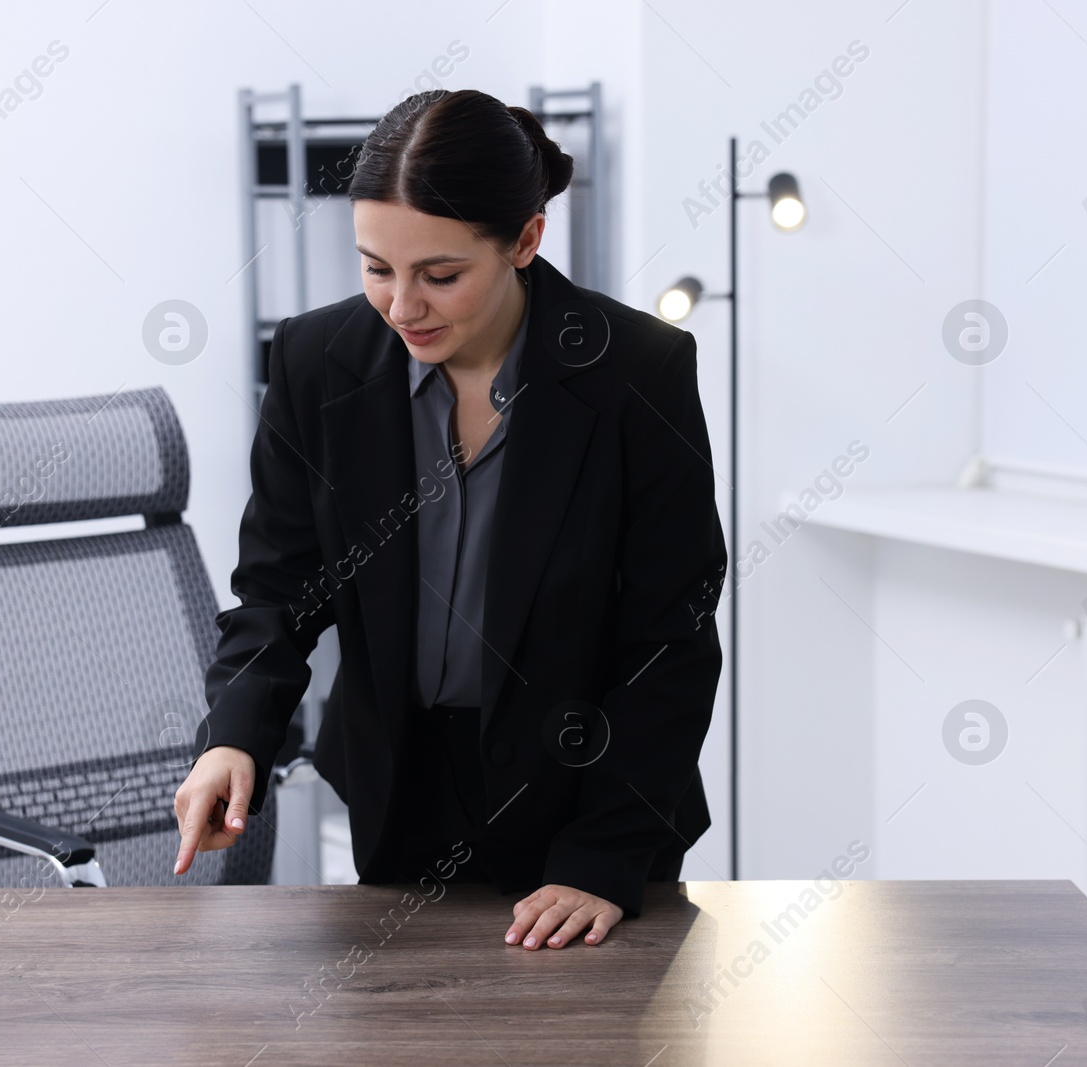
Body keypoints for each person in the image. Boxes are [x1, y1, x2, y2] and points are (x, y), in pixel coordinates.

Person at [173, 87, 726, 951]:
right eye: (374, 266)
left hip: (588, 808)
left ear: (526, 240)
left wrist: (603, 853)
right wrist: (233, 738)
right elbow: (279, 586)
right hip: (400, 800)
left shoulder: (639, 373)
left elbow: (672, 638)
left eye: (440, 275)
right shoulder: (317, 362)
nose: (401, 307)